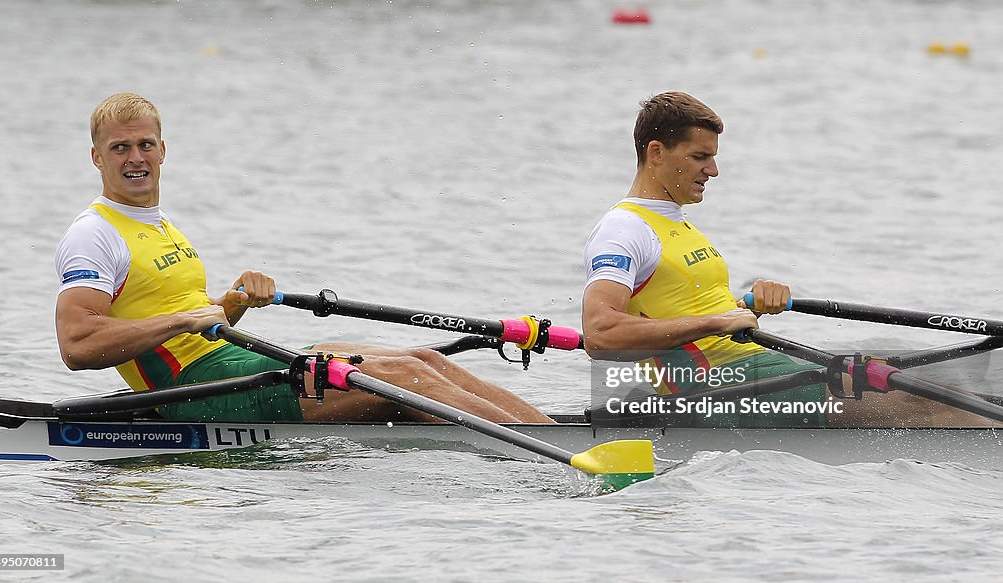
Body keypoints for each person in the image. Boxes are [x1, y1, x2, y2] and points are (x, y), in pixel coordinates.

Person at [54, 92, 552, 425]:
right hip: (192, 389)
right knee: (406, 380)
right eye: (120, 148)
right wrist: (187, 316)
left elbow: (188, 319)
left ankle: (552, 432)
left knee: (417, 359)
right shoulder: (95, 234)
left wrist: (233, 303)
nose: (134, 157)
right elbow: (78, 345)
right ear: (97, 157)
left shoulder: (160, 225)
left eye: (144, 145)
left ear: (163, 150)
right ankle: (559, 451)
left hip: (231, 360)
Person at [581, 91, 990, 428]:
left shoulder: (677, 225)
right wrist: (716, 322)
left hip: (756, 370)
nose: (714, 170)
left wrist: (745, 304)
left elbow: (682, 308)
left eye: (713, 156)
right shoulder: (625, 230)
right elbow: (601, 334)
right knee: (940, 405)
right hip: (715, 388)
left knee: (955, 391)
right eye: (699, 157)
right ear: (656, 152)